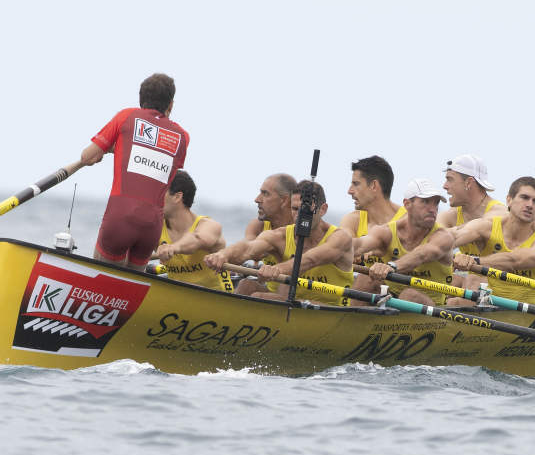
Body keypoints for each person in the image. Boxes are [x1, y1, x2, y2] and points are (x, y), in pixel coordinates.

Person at [69, 73, 190, 268]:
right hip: (152, 227)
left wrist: (111, 149)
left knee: (103, 280)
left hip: (120, 217)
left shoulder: (126, 116)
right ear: (171, 104)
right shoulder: (183, 137)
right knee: (130, 285)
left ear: (141, 99)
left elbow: (87, 157)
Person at [205, 181, 356, 304]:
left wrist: (277, 269)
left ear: (322, 209)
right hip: (290, 302)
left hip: (329, 307)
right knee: (246, 285)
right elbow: (247, 248)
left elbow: (310, 259)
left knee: (260, 297)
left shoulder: (340, 238)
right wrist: (223, 254)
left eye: (305, 210)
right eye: (295, 209)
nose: (299, 215)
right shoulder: (279, 236)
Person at [451, 176, 535, 306]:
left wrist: (473, 261)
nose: (530, 205)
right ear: (509, 200)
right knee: (471, 280)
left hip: (530, 312)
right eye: (524, 197)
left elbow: (516, 260)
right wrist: (446, 253)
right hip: (489, 307)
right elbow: (451, 238)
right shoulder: (486, 226)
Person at [359, 179, 457, 306]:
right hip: (393, 295)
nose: (433, 209)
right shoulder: (386, 231)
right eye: (425, 202)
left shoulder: (443, 237)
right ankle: (349, 317)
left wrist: (391, 266)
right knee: (365, 278)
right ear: (407, 204)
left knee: (409, 295)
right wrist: (351, 253)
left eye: (436, 203)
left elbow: (421, 254)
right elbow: (358, 245)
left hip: (431, 306)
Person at [152, 171, 227, 291]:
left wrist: (173, 248)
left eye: (159, 192)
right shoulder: (155, 228)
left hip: (218, 296)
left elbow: (197, 239)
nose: (152, 198)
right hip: (178, 295)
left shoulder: (209, 226)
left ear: (177, 197)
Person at [342, 155, 404, 291]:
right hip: (369, 291)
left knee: (365, 280)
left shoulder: (406, 221)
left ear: (374, 186)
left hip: (403, 294)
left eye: (356, 184)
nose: (349, 191)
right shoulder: (352, 220)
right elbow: (345, 245)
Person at [438, 154, 506, 273]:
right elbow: (430, 240)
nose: (444, 186)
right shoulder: (450, 215)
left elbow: (473, 229)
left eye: (450, 179)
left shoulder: (499, 213)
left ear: (468, 182)